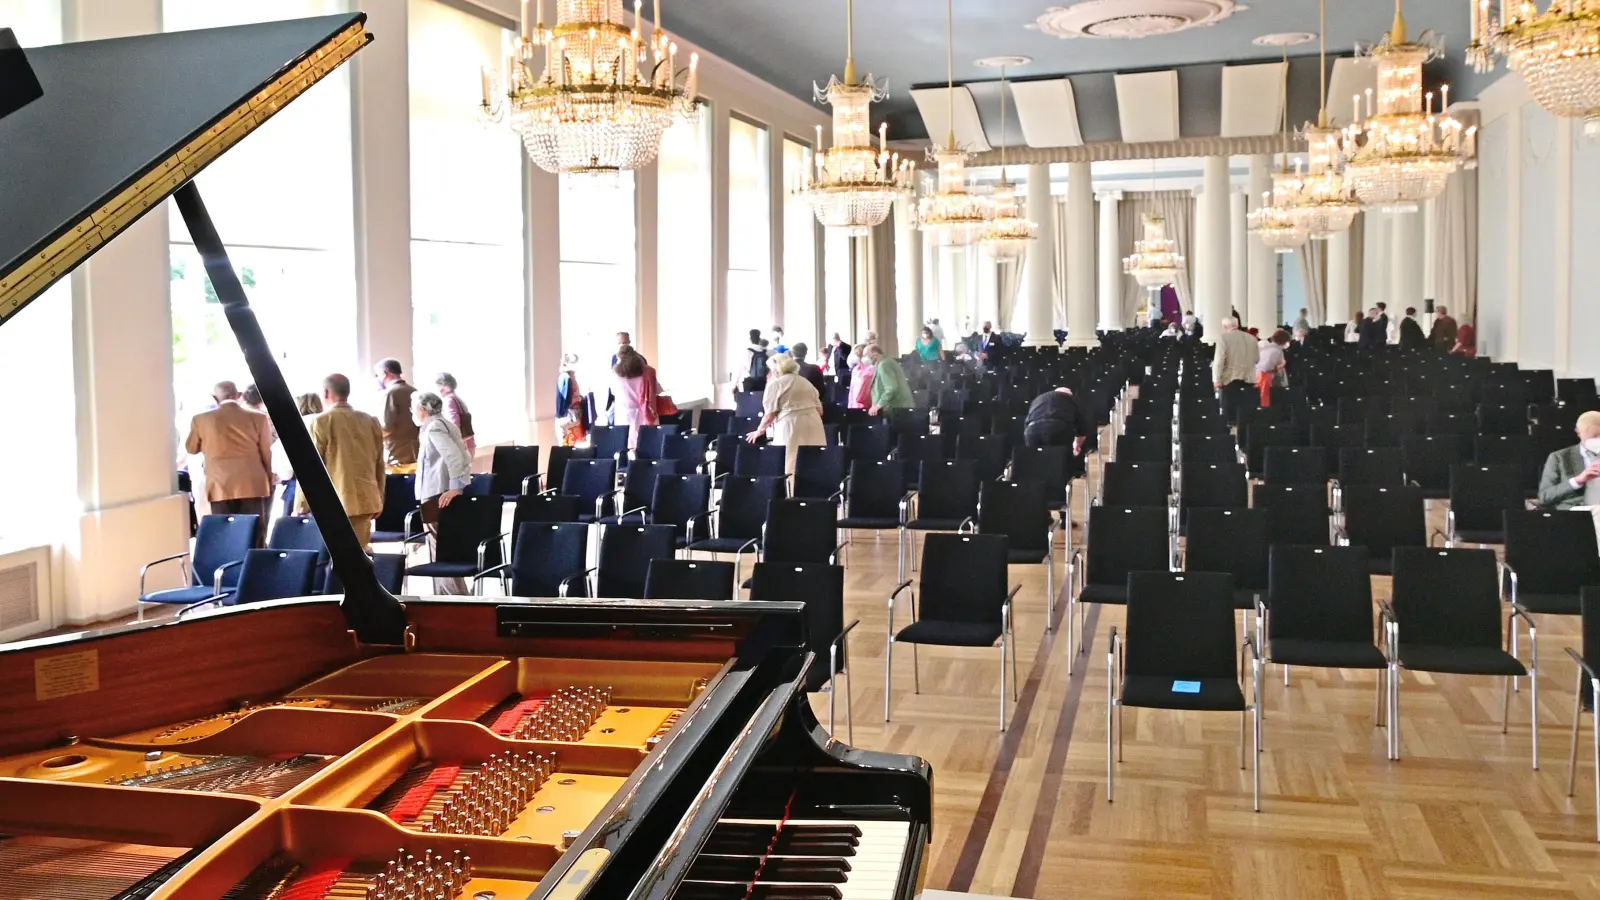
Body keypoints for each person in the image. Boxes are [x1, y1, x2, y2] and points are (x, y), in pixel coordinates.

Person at [298, 374, 385, 550]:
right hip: (365, 499)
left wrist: (301, 504)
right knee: (359, 557)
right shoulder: (370, 421)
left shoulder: (321, 421)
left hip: (332, 501)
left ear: (325, 392)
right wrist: (379, 497)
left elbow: (311, 467)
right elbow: (379, 463)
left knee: (332, 559)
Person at [184, 380, 275, 545]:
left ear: (214, 397)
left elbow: (191, 448)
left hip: (220, 484)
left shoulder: (201, 420)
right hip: (252, 483)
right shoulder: (259, 418)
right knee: (254, 535)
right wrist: (268, 479)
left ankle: (229, 566)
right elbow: (266, 453)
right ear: (239, 395)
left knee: (225, 534)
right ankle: (254, 566)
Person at [412, 391, 473, 594]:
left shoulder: (434, 427)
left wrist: (455, 487)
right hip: (440, 491)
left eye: (414, 408)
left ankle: (448, 597)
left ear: (422, 410)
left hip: (436, 493)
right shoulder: (446, 424)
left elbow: (455, 457)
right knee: (443, 548)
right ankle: (453, 595)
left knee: (439, 550)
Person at [747, 353, 826, 476]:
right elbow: (820, 410)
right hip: (813, 423)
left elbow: (769, 414)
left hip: (790, 425)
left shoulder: (776, 384)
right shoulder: (805, 382)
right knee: (813, 459)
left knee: (791, 459)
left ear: (775, 370)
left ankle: (792, 490)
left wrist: (759, 431)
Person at [1023, 385, 1095, 475]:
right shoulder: (1071, 400)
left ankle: (1036, 486)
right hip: (1057, 428)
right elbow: (1082, 428)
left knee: (1036, 463)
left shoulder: (1039, 399)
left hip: (1032, 431)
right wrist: (1077, 445)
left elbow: (1027, 421)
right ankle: (1060, 484)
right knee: (1061, 461)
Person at [1538, 411, 1600, 509]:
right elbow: (1545, 496)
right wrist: (1578, 480)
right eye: (1594, 436)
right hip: (1578, 512)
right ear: (1578, 432)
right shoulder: (1559, 458)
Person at [374, 357, 419, 470]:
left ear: (384, 373)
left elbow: (386, 426)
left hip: (396, 454)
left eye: (377, 375)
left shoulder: (390, 393)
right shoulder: (414, 391)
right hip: (416, 451)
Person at [612, 347, 660, 448]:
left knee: (626, 445)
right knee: (647, 445)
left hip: (625, 413)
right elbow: (657, 390)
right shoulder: (649, 371)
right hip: (646, 412)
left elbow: (614, 392)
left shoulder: (615, 373)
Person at [1213, 317, 1258, 420]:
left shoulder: (1223, 338)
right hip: (1249, 378)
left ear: (1224, 327)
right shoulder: (1252, 338)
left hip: (1230, 379)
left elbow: (1219, 360)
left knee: (1230, 412)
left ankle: (1231, 432)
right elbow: (1257, 359)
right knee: (1246, 411)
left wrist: (1217, 379)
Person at [434, 372, 475, 456]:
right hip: (468, 443)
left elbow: (453, 424)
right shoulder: (456, 398)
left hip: (462, 447)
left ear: (442, 386)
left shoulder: (448, 401)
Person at [866, 344, 912, 416]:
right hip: (897, 407)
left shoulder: (884, 364)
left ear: (874, 354)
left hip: (896, 407)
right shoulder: (886, 361)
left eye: (866, 355)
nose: (864, 358)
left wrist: (878, 405)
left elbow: (891, 388)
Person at [557, 353, 588, 446]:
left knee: (578, 443)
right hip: (571, 416)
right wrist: (577, 399)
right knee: (571, 444)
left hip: (576, 415)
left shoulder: (571, 377)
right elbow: (564, 401)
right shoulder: (565, 378)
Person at [1256, 329, 1289, 407]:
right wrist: (1280, 366)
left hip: (1257, 376)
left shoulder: (1265, 347)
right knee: (1265, 402)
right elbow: (1269, 368)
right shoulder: (1277, 351)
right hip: (1266, 378)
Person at [847, 343, 875, 410]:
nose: (857, 357)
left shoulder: (871, 369)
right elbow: (851, 389)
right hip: (855, 404)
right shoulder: (855, 370)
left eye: (859, 355)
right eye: (856, 355)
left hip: (867, 404)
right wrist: (850, 406)